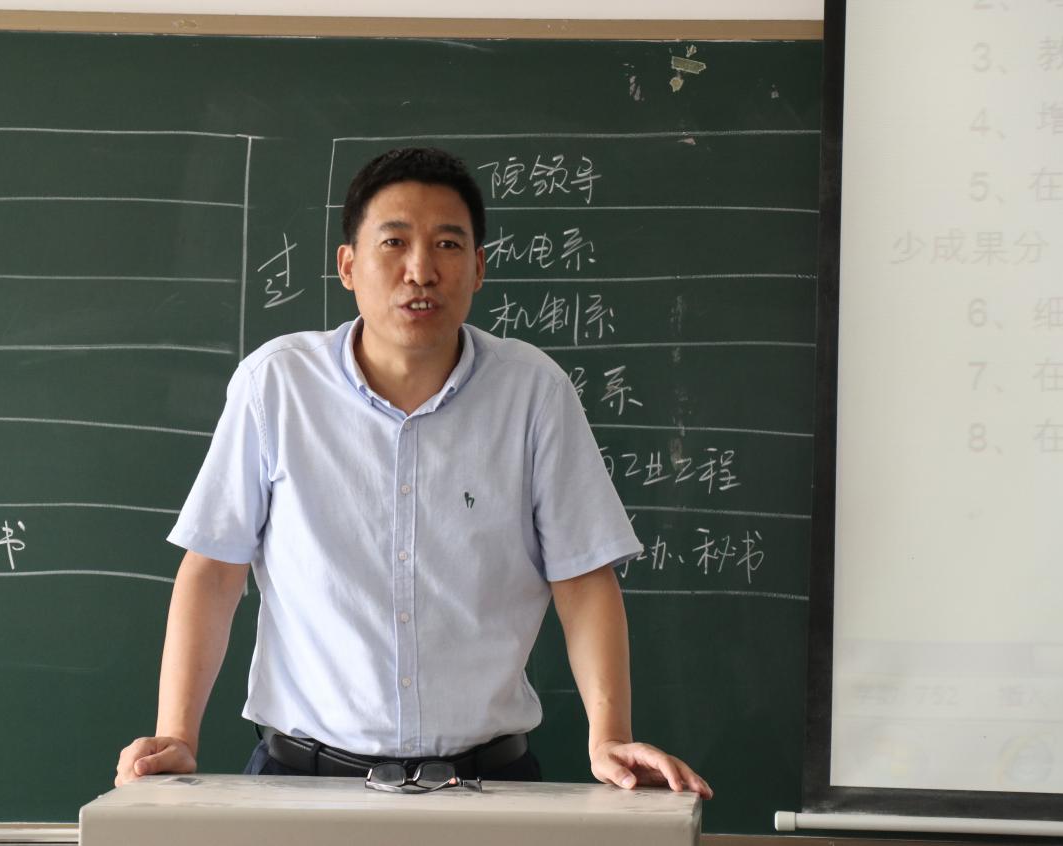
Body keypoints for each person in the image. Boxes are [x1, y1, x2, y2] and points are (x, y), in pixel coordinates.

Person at [115, 147, 712, 797]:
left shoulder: (532, 391)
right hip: (301, 786)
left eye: (448, 245)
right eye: (393, 242)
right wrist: (177, 734)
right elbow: (214, 569)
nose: (421, 270)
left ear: (478, 268)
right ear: (348, 265)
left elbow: (583, 576)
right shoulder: (277, 385)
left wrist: (610, 736)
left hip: (488, 786)